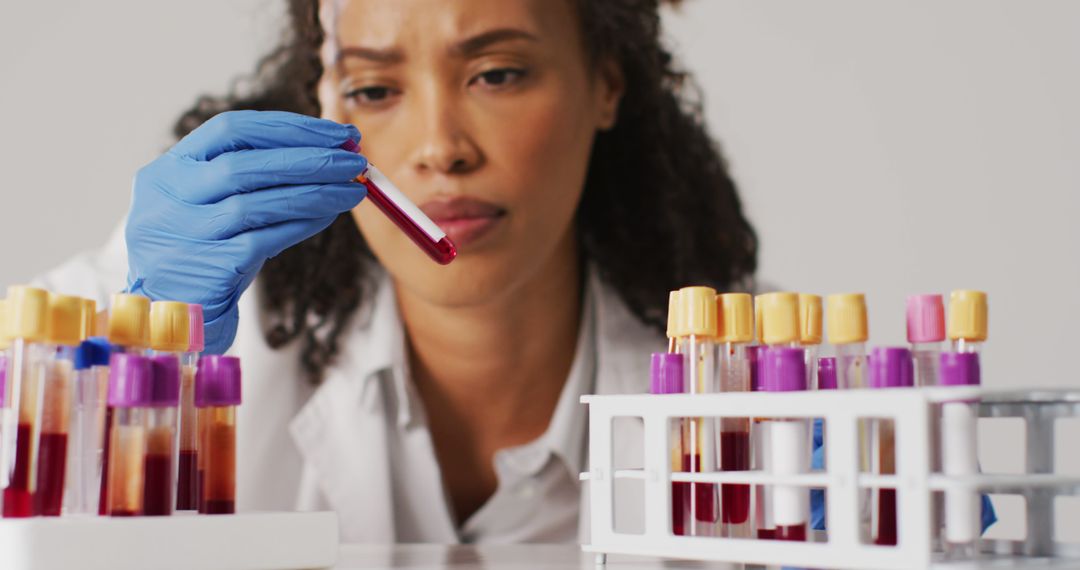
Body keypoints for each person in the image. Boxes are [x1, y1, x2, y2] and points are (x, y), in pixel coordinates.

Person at [37, 0, 757, 542]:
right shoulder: (153, 308)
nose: (439, 148)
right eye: (376, 91)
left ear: (606, 82)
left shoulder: (753, 388)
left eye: (497, 74)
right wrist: (139, 372)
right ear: (324, 102)